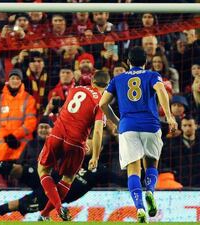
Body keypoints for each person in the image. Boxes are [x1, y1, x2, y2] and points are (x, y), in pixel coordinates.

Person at [99, 46, 178, 223]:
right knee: (151, 163)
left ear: (128, 62)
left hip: (128, 126)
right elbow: (161, 90)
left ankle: (140, 208)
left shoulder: (117, 79)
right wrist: (169, 116)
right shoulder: (152, 75)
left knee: (133, 170)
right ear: (146, 62)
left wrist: (117, 122)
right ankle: (150, 190)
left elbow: (103, 103)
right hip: (150, 124)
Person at [37, 70, 110, 221]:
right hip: (76, 142)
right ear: (107, 85)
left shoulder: (75, 90)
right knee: (68, 178)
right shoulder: (102, 102)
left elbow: (67, 111)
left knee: (43, 169)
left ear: (92, 82)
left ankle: (53, 210)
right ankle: (46, 213)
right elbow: (97, 132)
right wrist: (95, 156)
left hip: (57, 133)